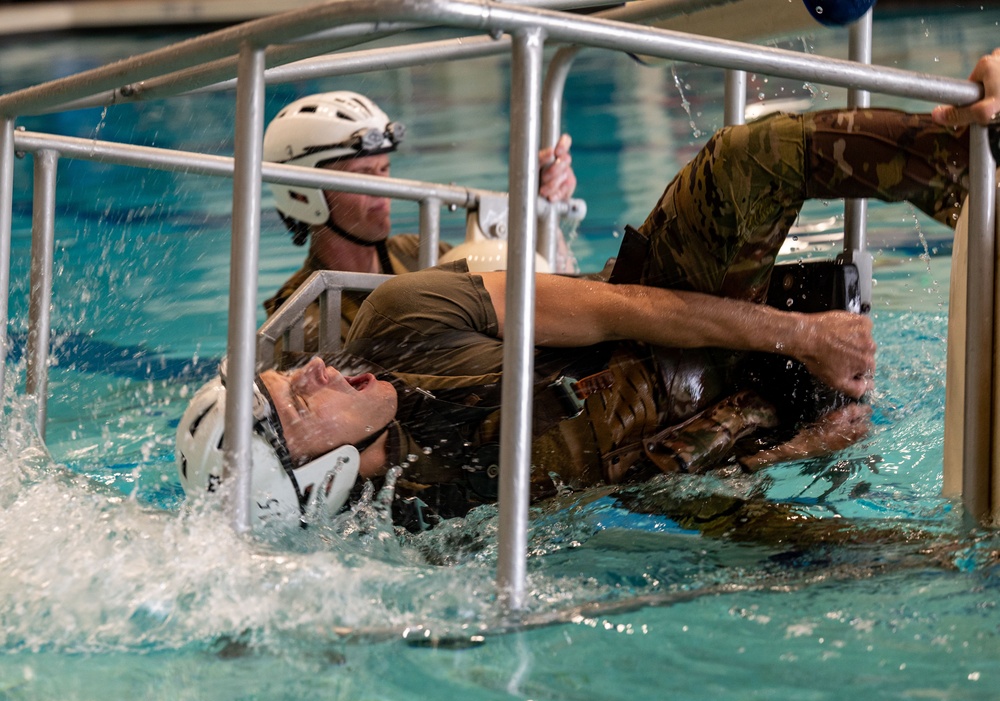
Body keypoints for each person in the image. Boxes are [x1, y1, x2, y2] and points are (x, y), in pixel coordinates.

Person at [178, 52, 1000, 536]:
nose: (311, 367)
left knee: (749, 158)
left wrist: (796, 335)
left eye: (288, 373)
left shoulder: (401, 312)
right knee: (862, 558)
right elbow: (624, 489)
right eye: (293, 398)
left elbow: (612, 306)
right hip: (701, 441)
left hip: (661, 332)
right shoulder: (431, 516)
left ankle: (972, 161)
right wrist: (781, 453)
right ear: (316, 474)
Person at [261, 91, 578, 346]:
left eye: (383, 170)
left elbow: (548, 290)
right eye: (362, 176)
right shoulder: (301, 319)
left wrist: (540, 207)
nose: (383, 189)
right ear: (303, 192)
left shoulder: (413, 252)